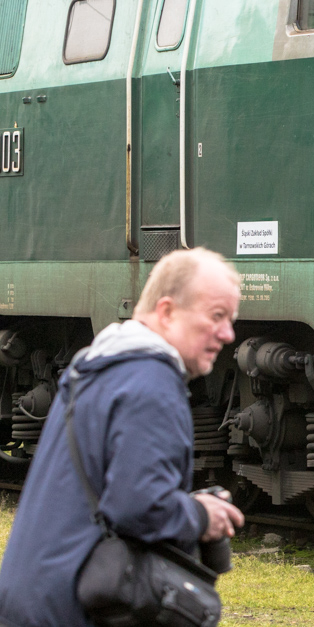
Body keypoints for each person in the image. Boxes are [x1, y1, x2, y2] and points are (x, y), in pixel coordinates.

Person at [0, 248, 246, 627]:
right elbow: (137, 507)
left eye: (230, 320)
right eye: (216, 316)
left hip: (34, 596)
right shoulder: (152, 384)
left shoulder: (98, 369)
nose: (228, 334)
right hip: (75, 608)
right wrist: (199, 515)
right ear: (166, 311)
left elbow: (115, 490)